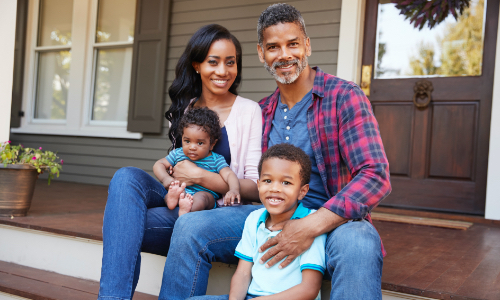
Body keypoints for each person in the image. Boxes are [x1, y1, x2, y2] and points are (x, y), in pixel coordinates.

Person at [97, 24, 262, 300]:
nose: (223, 71)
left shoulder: (249, 111)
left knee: (123, 221)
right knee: (125, 177)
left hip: (216, 211)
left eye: (230, 62)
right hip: (179, 199)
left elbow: (257, 188)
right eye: (213, 62)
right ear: (197, 65)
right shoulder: (185, 107)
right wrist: (170, 183)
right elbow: (173, 165)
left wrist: (199, 176)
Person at [254, 4, 391, 299]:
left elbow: (374, 175)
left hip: (336, 221)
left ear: (307, 45)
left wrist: (309, 225)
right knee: (193, 228)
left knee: (360, 242)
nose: (284, 55)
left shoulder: (344, 96)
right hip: (271, 217)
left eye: (293, 43)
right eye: (273, 47)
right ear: (261, 53)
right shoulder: (262, 111)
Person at [188, 144, 327, 300]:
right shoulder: (254, 219)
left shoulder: (311, 224)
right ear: (259, 185)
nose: (275, 188)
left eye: (286, 183)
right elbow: (243, 272)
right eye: (268, 180)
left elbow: (309, 290)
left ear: (302, 191)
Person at [153, 107, 241, 216]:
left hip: (206, 195)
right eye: (187, 141)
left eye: (200, 143)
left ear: (212, 144)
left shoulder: (216, 159)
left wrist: (233, 189)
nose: (192, 147)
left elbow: (229, 175)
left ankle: (188, 211)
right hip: (183, 191)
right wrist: (166, 179)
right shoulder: (178, 153)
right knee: (173, 191)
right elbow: (159, 164)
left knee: (202, 197)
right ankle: (173, 201)